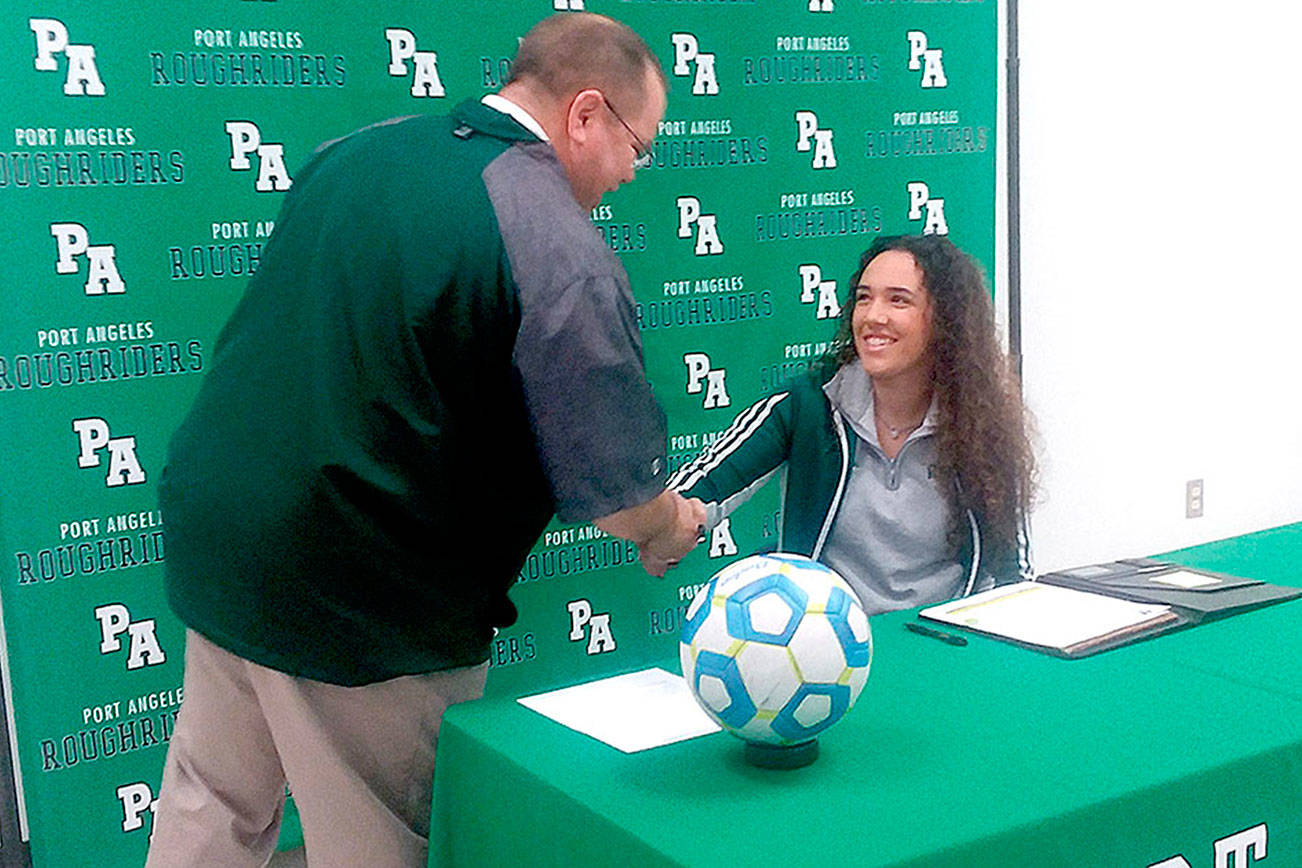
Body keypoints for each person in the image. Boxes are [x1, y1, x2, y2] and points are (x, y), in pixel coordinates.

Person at [146, 13, 704, 868]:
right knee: (375, 842)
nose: (633, 172)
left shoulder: (355, 151)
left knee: (210, 808)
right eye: (638, 146)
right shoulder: (552, 236)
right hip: (361, 592)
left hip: (224, 539)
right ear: (586, 114)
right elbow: (620, 492)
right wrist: (669, 527)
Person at [669, 234, 1035, 614]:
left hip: (946, 636)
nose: (874, 316)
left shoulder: (983, 423)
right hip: (826, 636)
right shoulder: (809, 404)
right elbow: (700, 488)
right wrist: (668, 522)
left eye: (898, 300)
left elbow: (1013, 571)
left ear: (946, 319)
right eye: (863, 298)